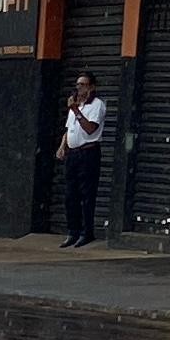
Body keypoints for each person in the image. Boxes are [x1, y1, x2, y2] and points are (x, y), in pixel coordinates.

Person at [57, 68, 108, 247]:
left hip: (89, 153)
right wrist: (63, 146)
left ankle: (87, 232)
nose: (79, 88)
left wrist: (75, 110)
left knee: (87, 194)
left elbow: (90, 129)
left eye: (83, 85)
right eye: (78, 85)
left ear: (92, 87)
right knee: (71, 195)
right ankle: (73, 231)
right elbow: (69, 129)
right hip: (73, 153)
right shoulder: (76, 105)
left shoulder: (97, 105)